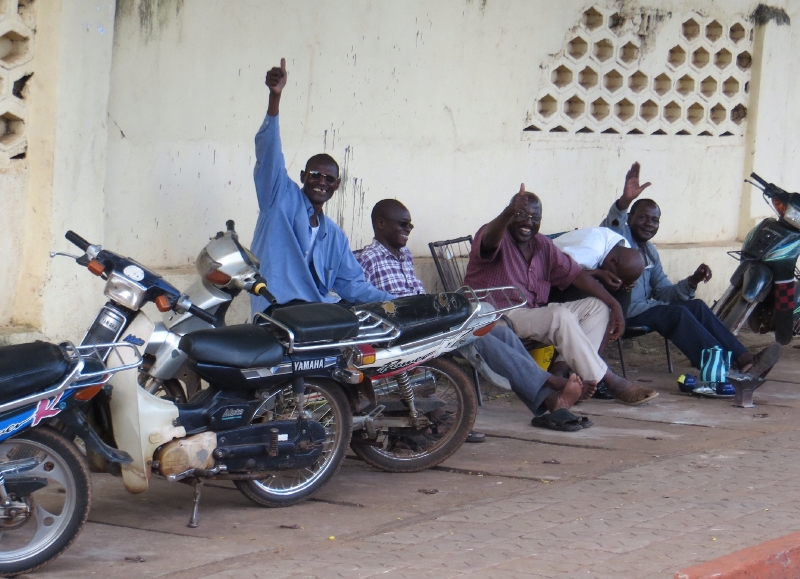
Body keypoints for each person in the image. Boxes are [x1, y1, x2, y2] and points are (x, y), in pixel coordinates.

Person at [357, 199, 593, 432]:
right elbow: (363, 298)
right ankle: (548, 382)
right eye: (402, 224)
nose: (408, 229)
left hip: (425, 319)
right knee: (477, 335)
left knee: (497, 329)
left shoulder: (404, 255)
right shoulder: (368, 258)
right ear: (380, 223)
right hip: (405, 329)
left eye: (410, 225)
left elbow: (416, 292)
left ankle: (550, 399)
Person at [464, 185, 659, 406]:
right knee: (559, 315)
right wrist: (508, 212)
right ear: (510, 216)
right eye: (521, 216)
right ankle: (609, 379)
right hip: (495, 315)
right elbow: (490, 240)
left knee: (597, 308)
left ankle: (561, 371)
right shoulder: (495, 234)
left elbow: (574, 274)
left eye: (534, 218)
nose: (528, 222)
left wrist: (614, 304)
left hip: (527, 313)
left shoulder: (542, 244)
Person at [600, 162, 781, 377]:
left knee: (696, 306)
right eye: (642, 217)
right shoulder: (617, 239)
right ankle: (718, 367)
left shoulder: (649, 251)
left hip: (647, 309)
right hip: (621, 312)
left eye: (655, 219)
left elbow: (665, 292)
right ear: (630, 218)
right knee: (676, 313)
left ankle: (744, 360)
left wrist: (692, 282)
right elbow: (613, 223)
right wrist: (625, 201)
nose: (649, 223)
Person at [250, 58, 393, 314]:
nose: (321, 182)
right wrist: (275, 100)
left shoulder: (335, 237)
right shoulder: (279, 197)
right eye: (316, 175)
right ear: (304, 176)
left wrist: (397, 302)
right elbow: (269, 152)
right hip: (275, 312)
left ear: (336, 185)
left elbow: (354, 286)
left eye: (329, 179)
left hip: (317, 316)